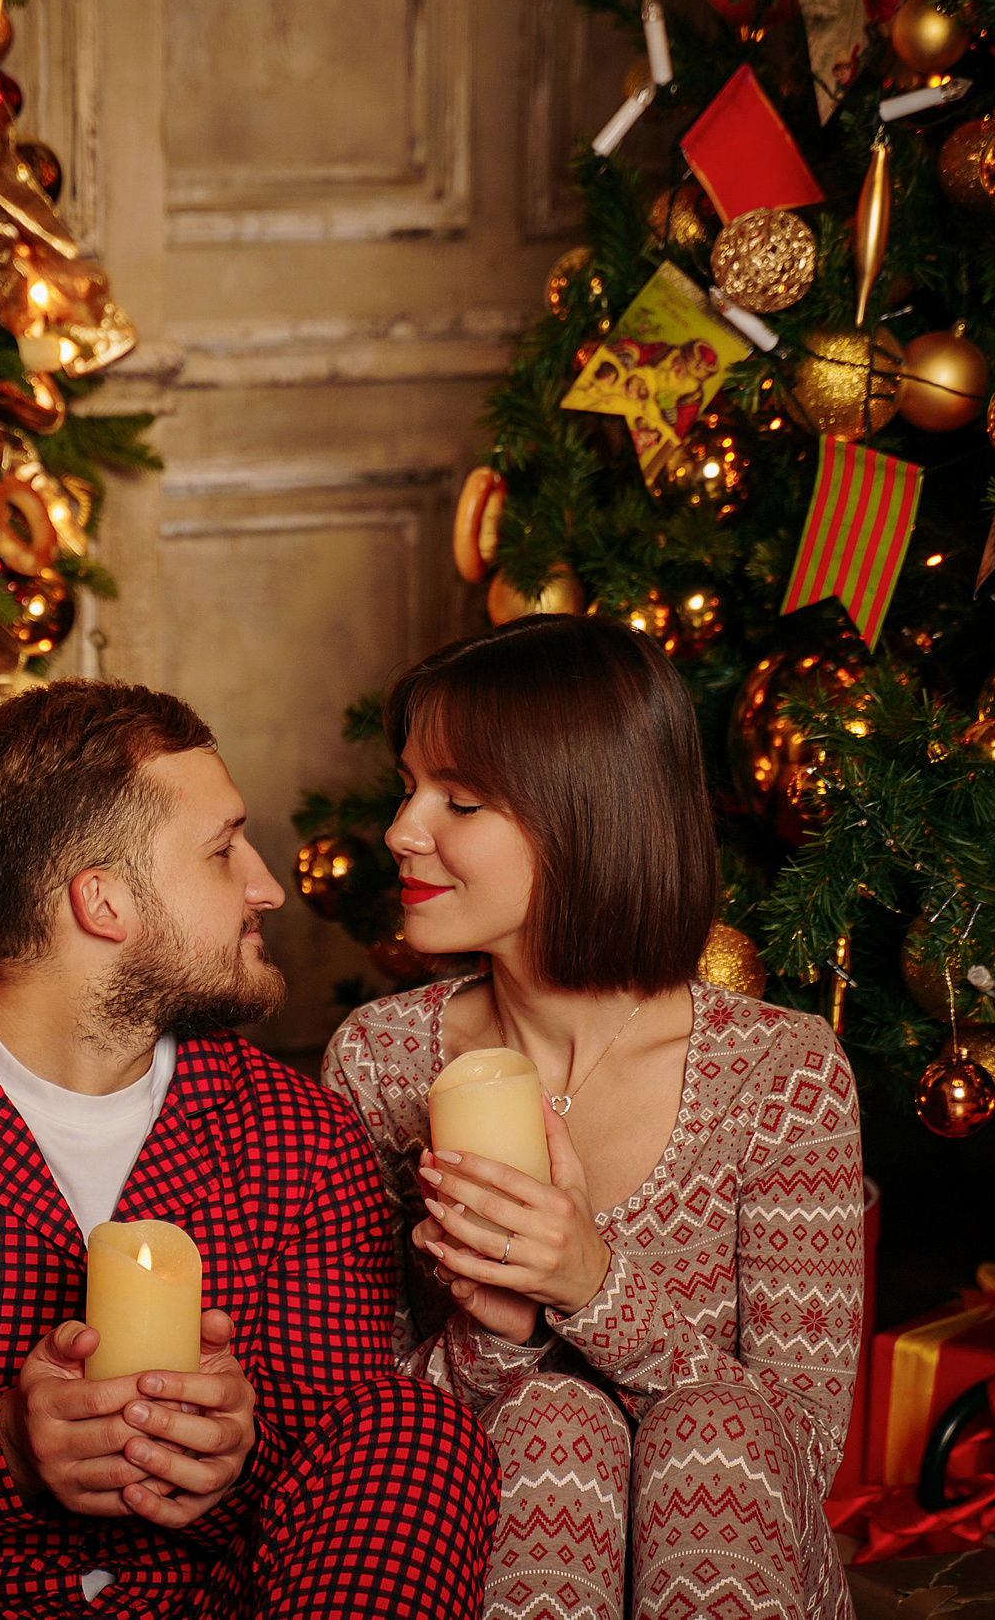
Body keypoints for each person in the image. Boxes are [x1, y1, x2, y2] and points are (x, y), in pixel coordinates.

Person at [0, 679, 498, 1618]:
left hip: (210, 1602)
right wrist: (7, 1452)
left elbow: (337, 1457)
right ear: (101, 902)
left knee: (413, 1430)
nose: (266, 884)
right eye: (224, 851)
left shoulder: (297, 1133)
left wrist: (237, 1446)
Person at [323, 616, 864, 1620]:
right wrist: (495, 1334)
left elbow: (798, 1453)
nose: (402, 829)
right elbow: (355, 1433)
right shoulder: (380, 1060)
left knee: (713, 1428)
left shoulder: (782, 1074)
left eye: (460, 799)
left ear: (586, 815)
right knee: (552, 1423)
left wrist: (595, 1286)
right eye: (408, 786)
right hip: (493, 1554)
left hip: (739, 1558)